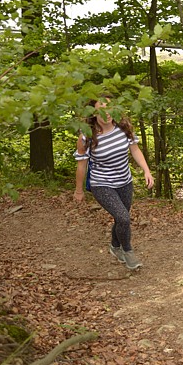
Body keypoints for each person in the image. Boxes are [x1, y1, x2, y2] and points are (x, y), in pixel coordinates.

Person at [73, 95, 154, 270]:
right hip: (101, 184)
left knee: (121, 218)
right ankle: (128, 252)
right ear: (94, 113)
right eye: (101, 109)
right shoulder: (87, 136)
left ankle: (114, 246)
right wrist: (79, 191)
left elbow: (135, 150)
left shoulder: (123, 128)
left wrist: (147, 171)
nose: (107, 113)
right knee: (124, 217)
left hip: (125, 181)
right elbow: (81, 166)